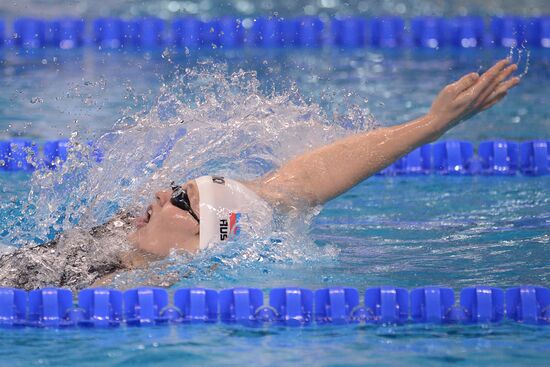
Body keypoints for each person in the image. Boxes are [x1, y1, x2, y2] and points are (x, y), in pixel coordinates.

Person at [0, 59, 520, 290]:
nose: (159, 194)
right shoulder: (123, 236)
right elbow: (301, 184)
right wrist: (431, 125)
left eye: (180, 201)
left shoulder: (131, 287)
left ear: (205, 241)